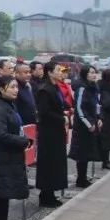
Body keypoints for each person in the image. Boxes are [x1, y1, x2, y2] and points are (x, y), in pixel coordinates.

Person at [0, 76, 31, 220]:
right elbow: (0, 134)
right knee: (2, 196)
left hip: (12, 157)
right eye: (12, 87)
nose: (16, 90)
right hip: (2, 158)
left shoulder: (10, 106)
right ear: (1, 89)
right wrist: (22, 141)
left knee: (6, 194)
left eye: (16, 87)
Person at [34, 62, 69, 208]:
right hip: (48, 133)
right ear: (49, 72)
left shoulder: (55, 87)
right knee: (48, 164)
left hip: (57, 131)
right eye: (58, 70)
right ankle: (45, 195)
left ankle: (52, 193)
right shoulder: (44, 90)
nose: (61, 73)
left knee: (56, 164)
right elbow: (44, 113)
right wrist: (62, 118)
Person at [69, 65, 104, 188]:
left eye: (95, 72)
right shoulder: (81, 88)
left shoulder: (94, 87)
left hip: (93, 122)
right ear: (85, 74)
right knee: (82, 153)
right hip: (83, 126)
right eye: (91, 73)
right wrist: (89, 123)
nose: (94, 75)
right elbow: (79, 108)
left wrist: (99, 118)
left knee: (88, 152)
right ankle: (81, 179)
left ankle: (83, 177)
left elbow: (98, 105)